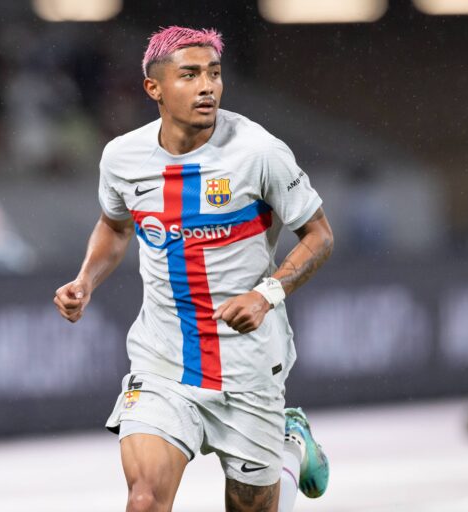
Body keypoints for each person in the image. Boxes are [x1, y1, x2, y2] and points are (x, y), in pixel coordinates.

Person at [53, 27, 333, 512]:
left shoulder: (258, 151)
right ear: (153, 88)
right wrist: (85, 280)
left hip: (247, 366)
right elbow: (114, 227)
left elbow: (319, 235)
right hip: (163, 362)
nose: (207, 86)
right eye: (190, 75)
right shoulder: (122, 158)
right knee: (144, 501)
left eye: (214, 73)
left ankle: (289, 450)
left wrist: (266, 295)